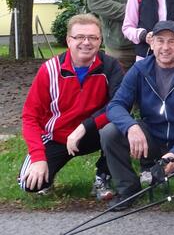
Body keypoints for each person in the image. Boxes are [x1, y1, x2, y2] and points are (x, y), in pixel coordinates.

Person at [102, 20, 174, 210]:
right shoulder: (140, 70)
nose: (165, 47)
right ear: (151, 43)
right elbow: (116, 105)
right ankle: (128, 188)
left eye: (172, 41)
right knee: (110, 132)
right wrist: (131, 126)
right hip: (151, 137)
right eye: (160, 41)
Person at [18, 14, 123, 199]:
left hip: (93, 132)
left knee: (119, 128)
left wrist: (84, 127)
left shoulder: (111, 66)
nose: (86, 42)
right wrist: (38, 158)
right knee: (29, 184)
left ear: (100, 41)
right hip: (56, 137)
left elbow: (118, 105)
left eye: (93, 37)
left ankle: (102, 178)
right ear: (68, 40)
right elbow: (30, 116)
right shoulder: (49, 70)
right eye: (79, 37)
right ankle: (48, 178)